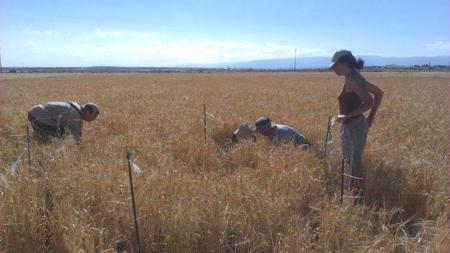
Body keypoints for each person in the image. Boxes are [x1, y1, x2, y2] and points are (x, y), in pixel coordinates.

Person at [329, 49, 384, 202]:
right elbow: (379, 93)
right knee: (352, 160)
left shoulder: (352, 78)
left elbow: (369, 101)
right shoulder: (353, 75)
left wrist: (346, 116)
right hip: (354, 125)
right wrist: (370, 118)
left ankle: (358, 198)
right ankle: (354, 192)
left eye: (335, 65)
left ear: (345, 63)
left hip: (353, 126)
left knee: (354, 161)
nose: (333, 69)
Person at [27, 101, 99, 144]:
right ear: (87, 112)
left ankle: (34, 145)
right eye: (94, 116)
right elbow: (77, 139)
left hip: (34, 112)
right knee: (60, 133)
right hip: (39, 116)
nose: (94, 119)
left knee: (42, 136)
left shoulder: (75, 107)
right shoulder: (75, 116)